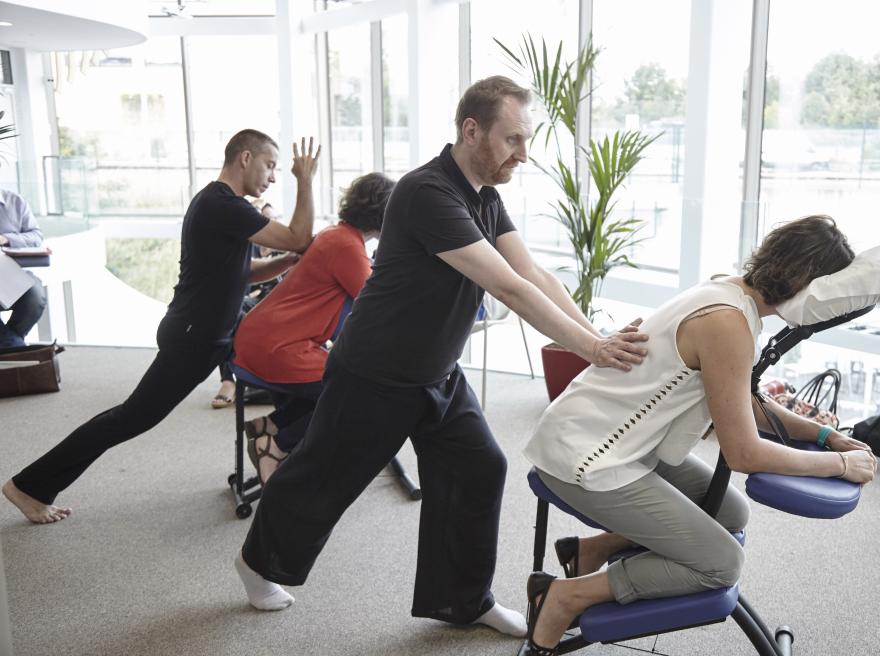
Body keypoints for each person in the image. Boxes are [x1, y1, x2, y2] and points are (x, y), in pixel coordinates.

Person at [232, 76, 649, 642]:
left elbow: (536, 274)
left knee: (480, 468)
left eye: (526, 140)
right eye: (513, 140)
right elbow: (509, 289)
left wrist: (593, 335)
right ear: (471, 130)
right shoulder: (427, 192)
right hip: (375, 372)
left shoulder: (485, 196)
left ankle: (462, 599)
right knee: (323, 480)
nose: (523, 154)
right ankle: (258, 564)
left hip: (436, 372)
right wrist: (593, 350)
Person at [516, 215, 880, 655]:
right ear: (809, 284)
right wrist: (839, 464)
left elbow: (741, 398)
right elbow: (743, 453)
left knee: (729, 512)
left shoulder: (727, 292)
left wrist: (824, 436)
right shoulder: (727, 322)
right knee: (722, 563)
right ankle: (561, 596)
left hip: (624, 443)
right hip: (587, 459)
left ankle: (590, 551)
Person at [2, 129, 321, 524]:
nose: (273, 177)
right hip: (194, 335)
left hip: (215, 330)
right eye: (270, 165)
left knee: (295, 374)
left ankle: (274, 440)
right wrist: (305, 181)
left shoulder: (224, 205)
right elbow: (299, 237)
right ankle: (28, 485)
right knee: (131, 418)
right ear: (244, 158)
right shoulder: (223, 205)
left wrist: (287, 263)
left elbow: (242, 273)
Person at [232, 172, 396, 484]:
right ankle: (276, 445)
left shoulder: (336, 234)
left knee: (343, 384)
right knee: (361, 395)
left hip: (263, 338)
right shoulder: (347, 246)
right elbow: (376, 302)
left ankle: (272, 425)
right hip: (277, 347)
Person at [211, 199, 285, 410]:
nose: (271, 225)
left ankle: (257, 378)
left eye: (274, 220)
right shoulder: (246, 249)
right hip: (251, 302)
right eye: (265, 221)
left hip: (277, 304)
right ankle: (228, 380)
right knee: (230, 309)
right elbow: (238, 288)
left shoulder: (286, 251)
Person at [0, 188, 46, 349]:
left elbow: (36, 236)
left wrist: (6, 238)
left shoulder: (15, 202)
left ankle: (9, 344)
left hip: (10, 273)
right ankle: (14, 348)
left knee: (35, 293)